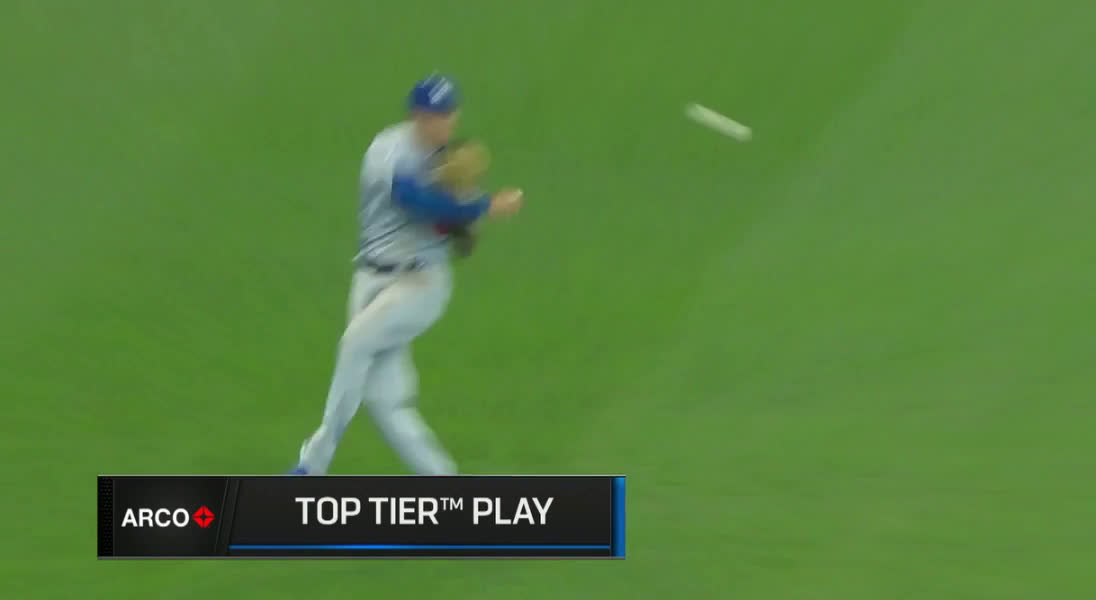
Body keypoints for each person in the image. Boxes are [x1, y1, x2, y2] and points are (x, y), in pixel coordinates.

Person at [289, 74, 523, 475]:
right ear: (417, 116)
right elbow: (411, 199)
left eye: (449, 114)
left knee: (356, 342)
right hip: (370, 278)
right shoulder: (388, 149)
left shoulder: (451, 165)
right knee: (387, 405)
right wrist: (484, 206)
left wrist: (463, 217)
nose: (444, 122)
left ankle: (312, 465)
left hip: (421, 285)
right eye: (435, 115)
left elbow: (458, 239)